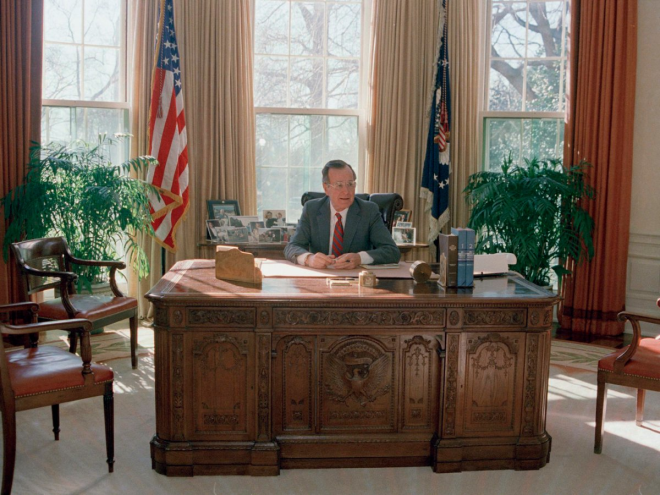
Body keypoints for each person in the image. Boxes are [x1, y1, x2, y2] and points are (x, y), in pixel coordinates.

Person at [284, 160, 400, 269]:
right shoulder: (312, 209)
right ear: (326, 188)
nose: (346, 191)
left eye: (350, 184)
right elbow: (292, 247)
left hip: (355, 278)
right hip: (321, 276)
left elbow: (392, 251)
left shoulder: (368, 210)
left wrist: (360, 258)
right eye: (339, 185)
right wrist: (309, 259)